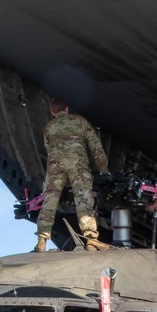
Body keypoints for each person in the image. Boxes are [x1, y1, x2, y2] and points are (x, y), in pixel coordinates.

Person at [35, 97, 110, 252]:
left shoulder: (49, 127)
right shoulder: (79, 121)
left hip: (55, 167)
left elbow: (49, 150)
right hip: (78, 165)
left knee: (50, 200)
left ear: (52, 112)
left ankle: (42, 240)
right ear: (67, 108)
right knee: (83, 200)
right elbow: (95, 146)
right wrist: (104, 169)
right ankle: (91, 240)